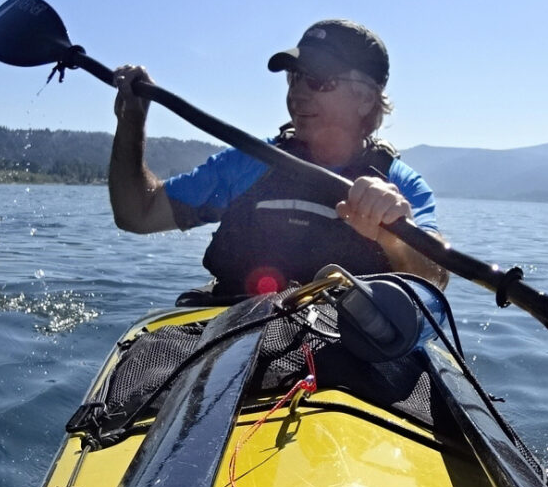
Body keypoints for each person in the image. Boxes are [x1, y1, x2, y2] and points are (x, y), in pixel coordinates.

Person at [109, 19, 448, 299]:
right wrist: (131, 122)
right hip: (234, 336)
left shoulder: (401, 186)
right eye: (294, 77)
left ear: (365, 99)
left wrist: (394, 237)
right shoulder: (249, 163)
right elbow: (137, 213)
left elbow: (433, 280)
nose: (297, 93)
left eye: (318, 80)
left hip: (345, 350)